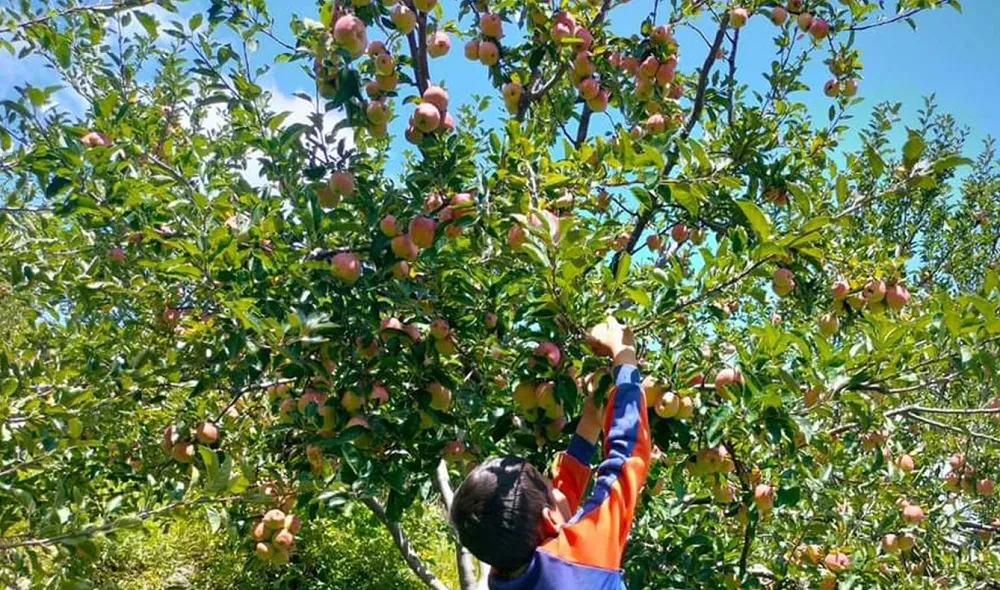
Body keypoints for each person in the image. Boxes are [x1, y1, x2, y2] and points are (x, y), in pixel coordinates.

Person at [450, 316, 651, 589]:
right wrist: (623, 355)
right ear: (549, 520)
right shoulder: (584, 558)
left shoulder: (505, 571)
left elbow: (557, 504)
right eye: (548, 483)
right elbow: (626, 458)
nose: (556, 484)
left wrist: (590, 420)